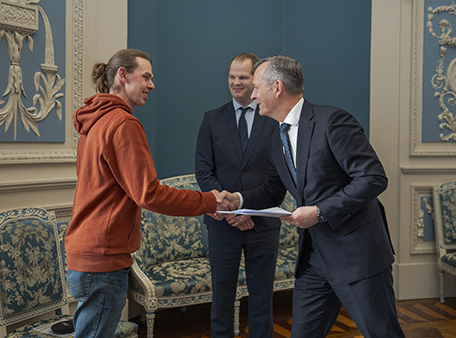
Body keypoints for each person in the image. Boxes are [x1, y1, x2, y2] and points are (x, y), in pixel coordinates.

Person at [225, 55, 405, 337]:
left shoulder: (332, 121)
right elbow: (271, 192)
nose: (253, 93)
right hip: (313, 261)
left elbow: (373, 178)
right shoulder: (276, 138)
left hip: (357, 257)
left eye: (257, 86)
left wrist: (319, 212)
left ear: (277, 87)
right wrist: (237, 201)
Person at [65, 49, 231, 338]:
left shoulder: (93, 122)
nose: (152, 85)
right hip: (103, 257)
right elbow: (149, 194)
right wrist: (208, 201)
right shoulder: (123, 124)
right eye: (146, 77)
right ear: (122, 76)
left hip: (85, 252)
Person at [195, 52, 284, 338]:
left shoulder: (273, 120)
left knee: (262, 299)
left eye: (243, 77)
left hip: (263, 223)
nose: (235, 82)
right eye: (231, 76)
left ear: (256, 80)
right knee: (221, 298)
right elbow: (204, 171)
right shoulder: (212, 119)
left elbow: (278, 175)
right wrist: (231, 211)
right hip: (223, 224)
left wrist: (248, 209)